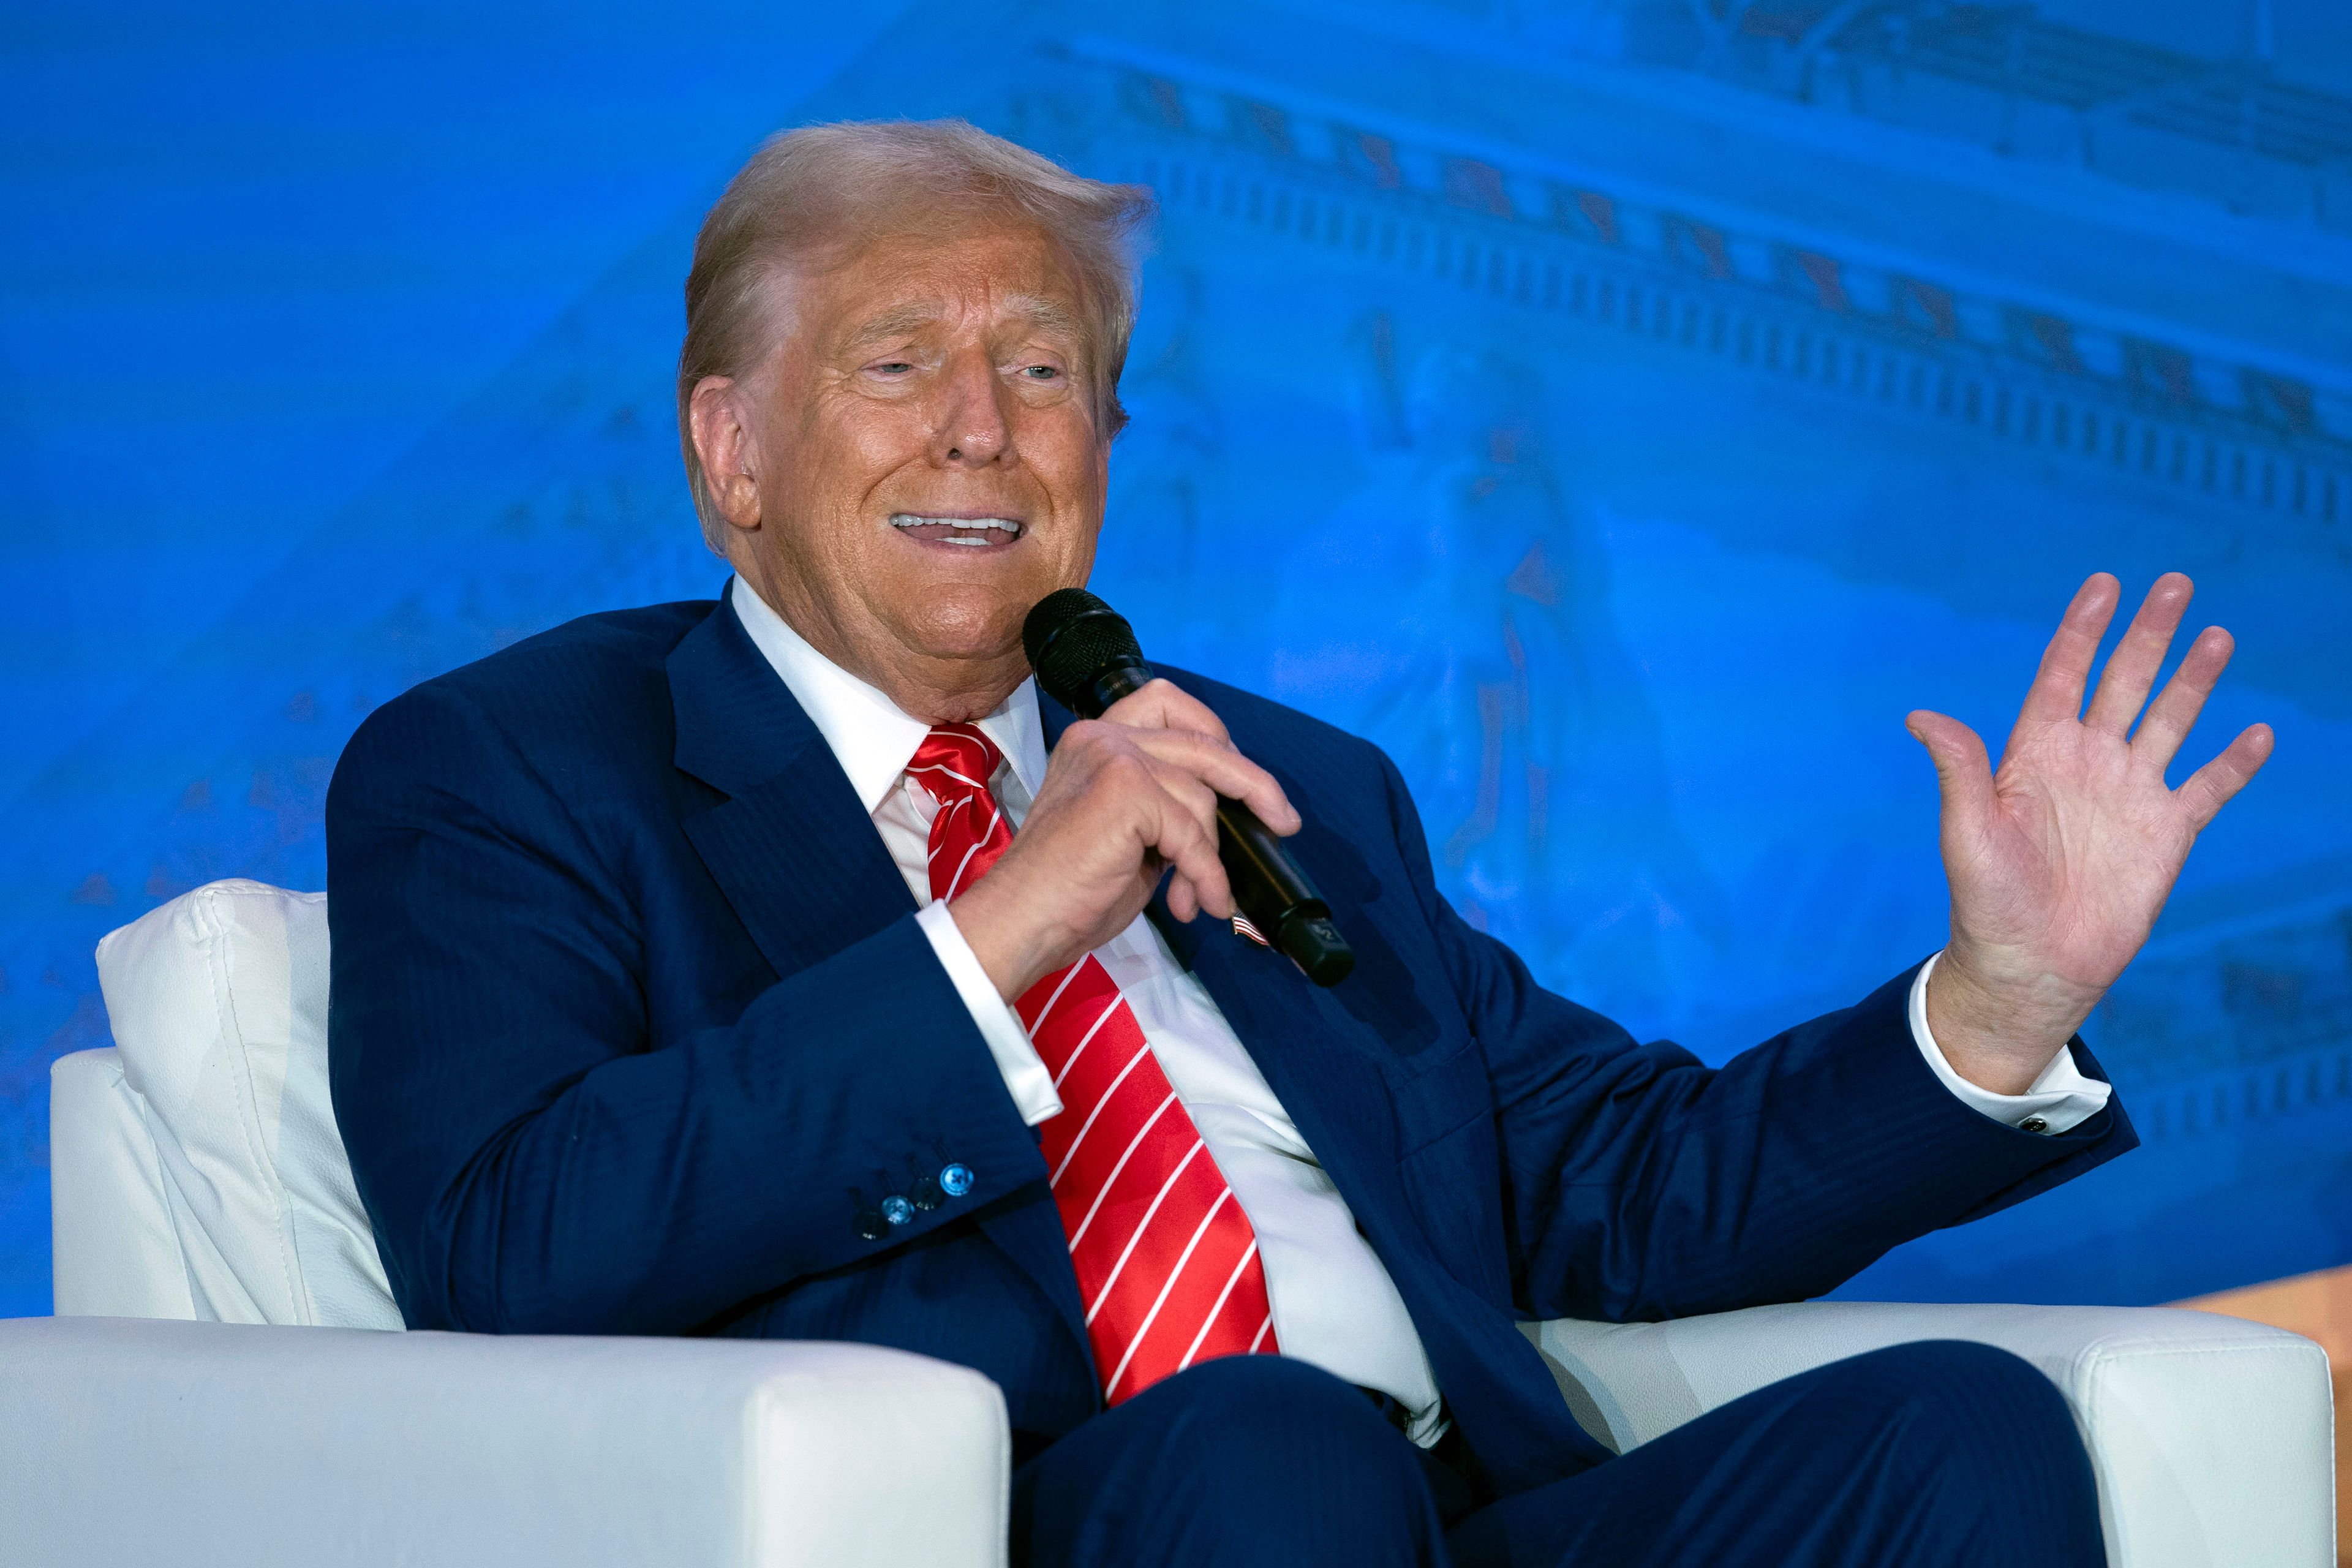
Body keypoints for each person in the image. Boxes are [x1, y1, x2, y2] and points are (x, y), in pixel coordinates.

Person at [325, 120, 2274, 1568]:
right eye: (899, 362)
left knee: (1957, 1434)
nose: (986, 435)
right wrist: (1007, 923)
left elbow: (1607, 1172)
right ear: (730, 452)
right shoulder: (511, 767)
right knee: (1268, 1453)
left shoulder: (1286, 784)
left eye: (1046, 373)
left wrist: (1998, 1004)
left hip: (1431, 1522)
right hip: (1029, 1527)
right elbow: (512, 1245)